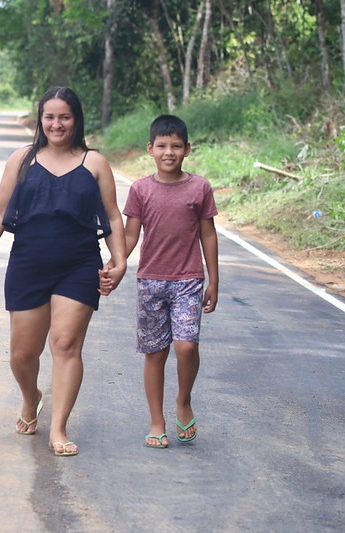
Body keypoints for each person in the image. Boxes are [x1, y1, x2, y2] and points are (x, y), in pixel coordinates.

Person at [0, 86, 127, 457]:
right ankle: (32, 398)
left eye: (65, 117)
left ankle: (58, 428)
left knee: (65, 345)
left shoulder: (95, 163)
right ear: (40, 119)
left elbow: (111, 216)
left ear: (76, 120)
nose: (57, 124)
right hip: (28, 263)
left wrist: (120, 262)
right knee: (22, 355)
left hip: (79, 264)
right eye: (50, 117)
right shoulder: (22, 160)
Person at [122, 114, 219, 449]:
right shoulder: (140, 190)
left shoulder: (199, 187)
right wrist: (115, 262)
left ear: (187, 149)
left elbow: (208, 234)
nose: (169, 152)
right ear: (150, 149)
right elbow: (130, 234)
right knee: (155, 353)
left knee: (186, 346)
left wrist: (214, 280)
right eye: (162, 145)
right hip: (150, 280)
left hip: (189, 280)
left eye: (176, 146)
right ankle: (157, 421)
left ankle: (183, 400)